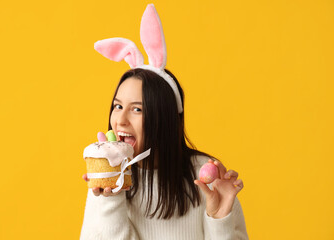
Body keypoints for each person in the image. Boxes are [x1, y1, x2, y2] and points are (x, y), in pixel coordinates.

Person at [80, 4, 248, 240]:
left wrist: (219, 219)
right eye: (118, 106)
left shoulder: (205, 178)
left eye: (137, 109)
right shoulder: (103, 181)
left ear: (165, 117)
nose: (120, 120)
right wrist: (111, 199)